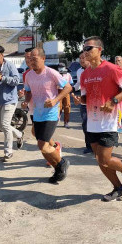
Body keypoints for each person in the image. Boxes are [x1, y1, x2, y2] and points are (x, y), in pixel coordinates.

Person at [80, 36, 122, 202]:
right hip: (92, 121)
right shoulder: (84, 75)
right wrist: (80, 100)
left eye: (89, 48)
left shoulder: (111, 69)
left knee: (105, 158)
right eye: (84, 49)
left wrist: (114, 101)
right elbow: (86, 98)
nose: (85, 52)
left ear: (99, 50)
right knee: (100, 160)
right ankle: (118, 188)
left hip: (109, 121)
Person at [23, 47, 72, 183]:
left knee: (43, 146)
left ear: (43, 58)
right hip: (37, 113)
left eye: (34, 58)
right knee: (42, 145)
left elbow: (68, 87)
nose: (31, 61)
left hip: (51, 113)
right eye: (30, 59)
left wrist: (56, 100)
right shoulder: (29, 75)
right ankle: (58, 169)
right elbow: (28, 91)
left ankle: (62, 163)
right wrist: (26, 101)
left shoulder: (51, 73)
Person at [72, 51, 92, 153]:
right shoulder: (79, 71)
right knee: (85, 124)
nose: (82, 60)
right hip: (84, 102)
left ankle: (97, 145)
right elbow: (79, 84)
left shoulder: (94, 69)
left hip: (94, 102)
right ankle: (89, 146)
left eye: (83, 58)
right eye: (80, 58)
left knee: (94, 124)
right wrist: (72, 88)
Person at [58, 62, 73, 128]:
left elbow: (71, 83)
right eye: (59, 67)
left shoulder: (68, 75)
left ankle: (66, 122)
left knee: (67, 107)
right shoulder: (56, 74)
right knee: (59, 107)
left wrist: (71, 91)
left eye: (62, 67)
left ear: (65, 68)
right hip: (59, 91)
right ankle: (57, 119)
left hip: (66, 91)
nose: (61, 68)